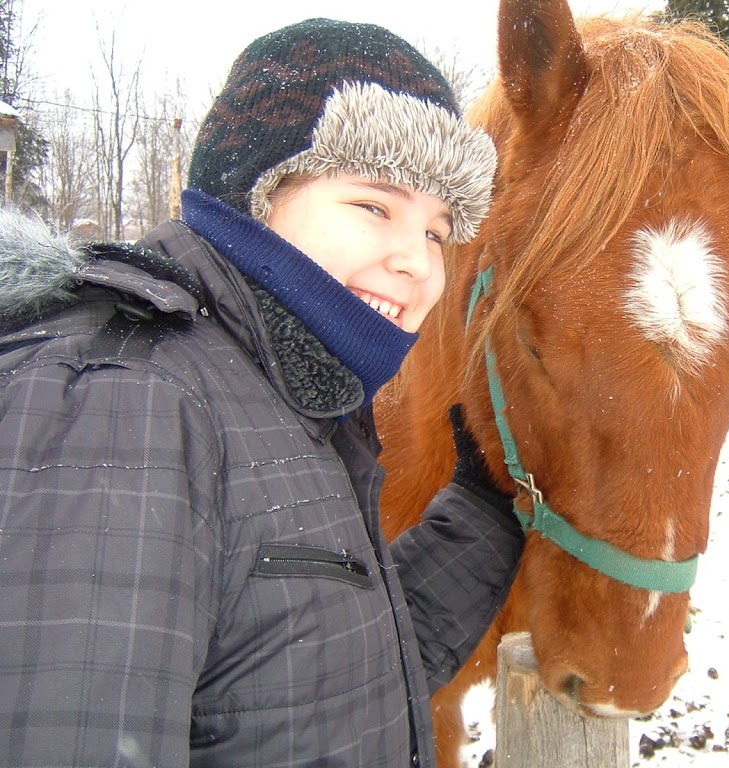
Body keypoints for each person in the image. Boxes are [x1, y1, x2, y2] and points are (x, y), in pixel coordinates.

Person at [0, 18, 523, 767]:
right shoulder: (123, 399)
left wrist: (483, 513)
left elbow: (319, 675)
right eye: (374, 206)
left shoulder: (283, 392)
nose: (417, 262)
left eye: (439, 231)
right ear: (254, 197)